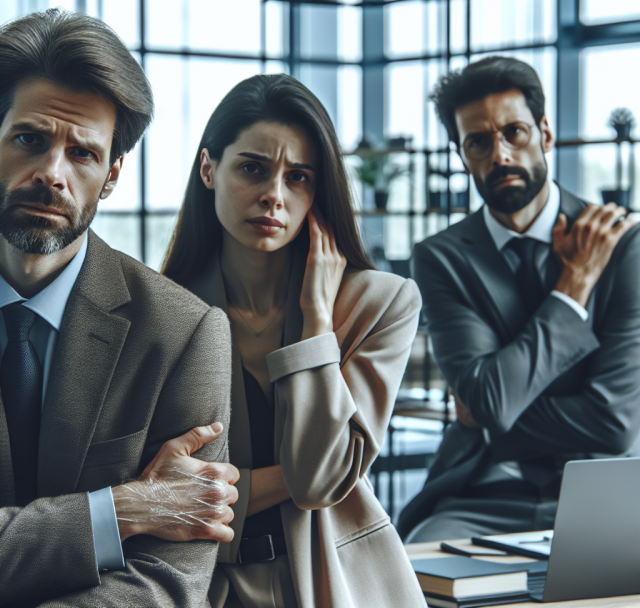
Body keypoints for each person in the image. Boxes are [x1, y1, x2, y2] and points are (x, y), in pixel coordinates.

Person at [0, 9, 239, 607]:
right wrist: (117, 511)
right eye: (29, 139)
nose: (52, 174)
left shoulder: (184, 332)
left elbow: (168, 581)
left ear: (111, 175)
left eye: (82, 153)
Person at [162, 73, 426, 608]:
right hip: (200, 585)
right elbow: (157, 490)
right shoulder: (162, 311)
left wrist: (316, 321)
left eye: (298, 177)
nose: (273, 196)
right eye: (253, 168)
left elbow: (313, 485)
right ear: (209, 168)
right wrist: (167, 498)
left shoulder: (381, 303)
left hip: (340, 582)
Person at [397, 56, 640, 543]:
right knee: (411, 575)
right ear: (463, 154)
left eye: (514, 133)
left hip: (605, 492)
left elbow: (614, 423)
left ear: (544, 133)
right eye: (479, 142)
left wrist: (492, 419)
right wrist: (573, 287)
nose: (500, 155)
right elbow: (487, 398)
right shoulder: (440, 258)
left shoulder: (621, 243)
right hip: (481, 495)